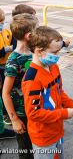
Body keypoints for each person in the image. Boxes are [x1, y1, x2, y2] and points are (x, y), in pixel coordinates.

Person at [22, 26, 73, 159]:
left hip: (57, 130)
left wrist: (72, 106)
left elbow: (59, 91)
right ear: (39, 51)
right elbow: (34, 113)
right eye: (55, 52)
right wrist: (65, 113)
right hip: (43, 137)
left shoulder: (53, 67)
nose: (57, 56)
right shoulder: (32, 79)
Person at [3, 13, 38, 159]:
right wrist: (14, 120)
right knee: (25, 150)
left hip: (36, 110)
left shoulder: (36, 52)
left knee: (39, 145)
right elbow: (5, 93)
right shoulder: (14, 59)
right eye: (37, 31)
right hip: (22, 115)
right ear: (29, 35)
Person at [0, 8, 15, 140]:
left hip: (6, 65)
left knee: (7, 89)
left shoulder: (6, 31)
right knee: (2, 92)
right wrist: (4, 50)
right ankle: (6, 114)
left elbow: (12, 41)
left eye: (2, 22)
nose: (2, 25)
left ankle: (7, 111)